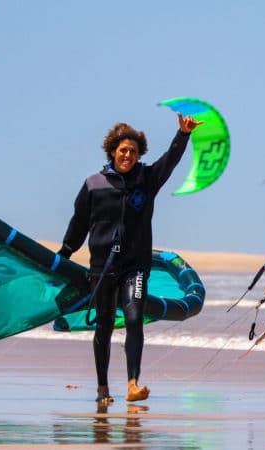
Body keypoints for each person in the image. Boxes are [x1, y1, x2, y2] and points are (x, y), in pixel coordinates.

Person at [59, 113, 201, 408]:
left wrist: (183, 135)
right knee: (104, 325)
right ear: (113, 151)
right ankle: (102, 387)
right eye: (123, 150)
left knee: (135, 318)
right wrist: (64, 253)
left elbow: (169, 161)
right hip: (103, 267)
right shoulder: (93, 184)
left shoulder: (146, 180)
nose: (128, 155)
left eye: (134, 151)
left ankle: (133, 384)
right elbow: (79, 223)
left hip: (135, 266)